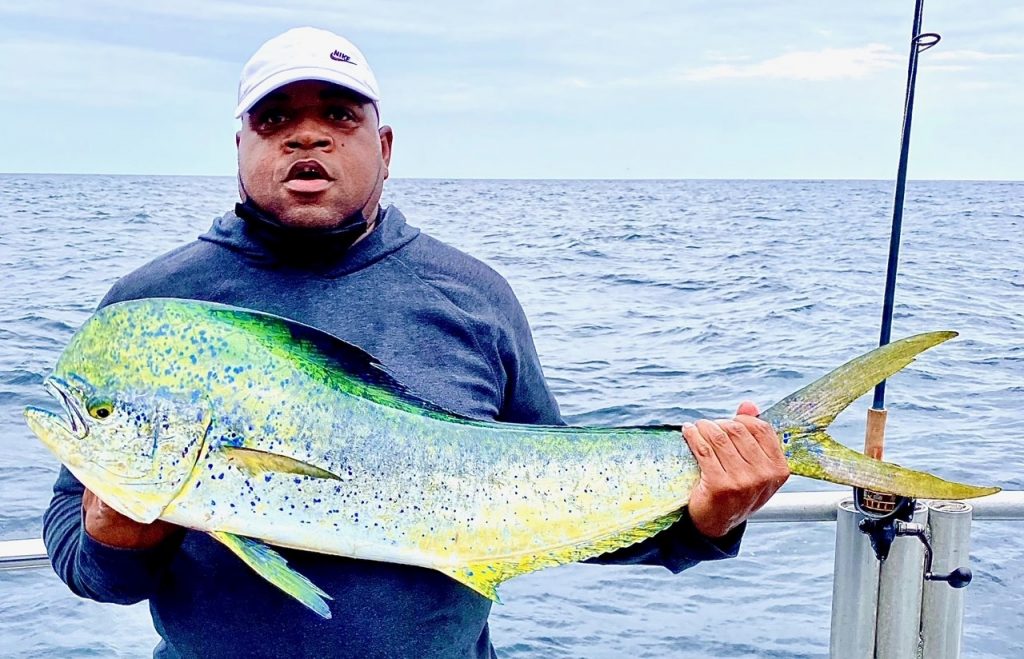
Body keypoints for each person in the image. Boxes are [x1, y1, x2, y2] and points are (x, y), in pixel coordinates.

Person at [42, 26, 790, 658]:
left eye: (339, 115)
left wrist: (705, 519)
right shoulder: (149, 305)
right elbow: (87, 565)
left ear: (385, 146)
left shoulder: (473, 295)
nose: (307, 135)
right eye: (274, 119)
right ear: (238, 146)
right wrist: (119, 532)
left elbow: (553, 503)